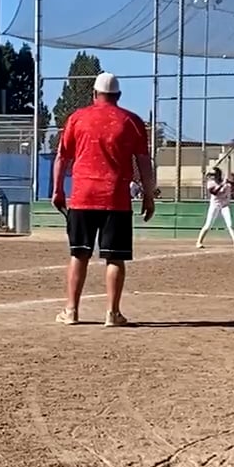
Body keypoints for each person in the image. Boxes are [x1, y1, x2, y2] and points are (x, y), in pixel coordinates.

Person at [52, 72, 155, 326]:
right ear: (118, 95)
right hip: (116, 198)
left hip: (82, 196)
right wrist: (148, 194)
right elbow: (144, 161)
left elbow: (62, 157)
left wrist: (57, 190)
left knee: (79, 254)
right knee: (115, 257)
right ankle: (112, 313)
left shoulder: (77, 118)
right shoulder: (132, 121)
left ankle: (71, 311)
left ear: (94, 94)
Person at [195, 166, 234, 250]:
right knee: (208, 225)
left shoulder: (226, 182)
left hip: (225, 205)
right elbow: (214, 192)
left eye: (214, 175)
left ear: (218, 175)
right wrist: (222, 184)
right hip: (215, 205)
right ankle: (199, 242)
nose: (212, 177)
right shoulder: (210, 183)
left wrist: (230, 181)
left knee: (230, 224)